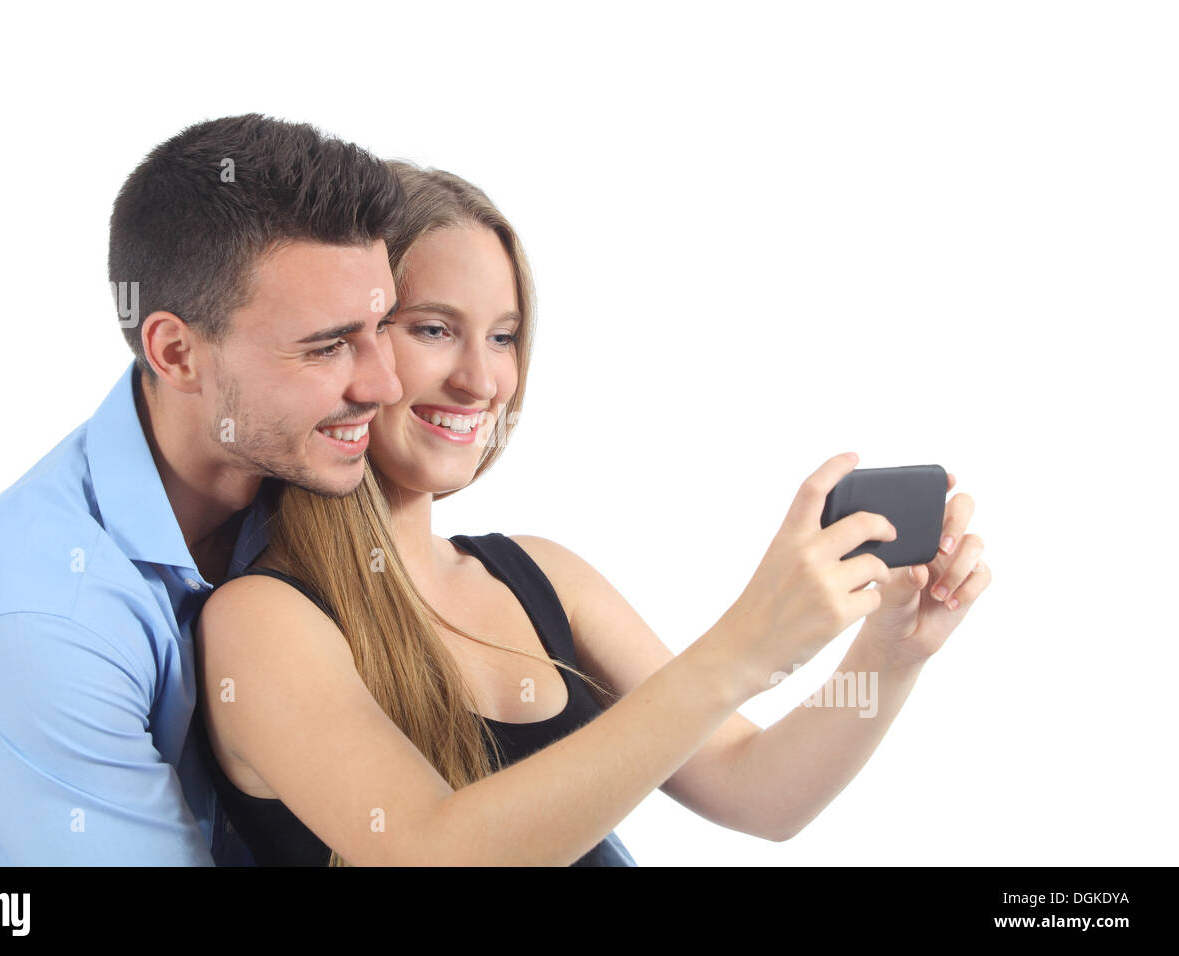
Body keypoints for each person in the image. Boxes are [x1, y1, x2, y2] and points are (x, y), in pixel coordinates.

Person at [193, 163, 993, 866]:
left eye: (504, 337)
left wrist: (890, 653)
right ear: (349, 344)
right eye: (434, 329)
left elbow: (758, 793)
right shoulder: (261, 621)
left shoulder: (542, 575)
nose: (481, 379)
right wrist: (747, 643)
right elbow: (434, 850)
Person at [0, 113, 412, 864]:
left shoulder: (303, 481)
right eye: (328, 346)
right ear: (175, 352)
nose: (385, 383)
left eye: (382, 325)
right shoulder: (32, 622)